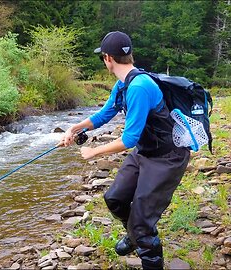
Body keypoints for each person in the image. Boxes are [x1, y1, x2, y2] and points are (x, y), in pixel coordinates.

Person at [58, 31, 191, 270]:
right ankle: (135, 234)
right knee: (115, 198)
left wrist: (94, 152)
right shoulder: (123, 85)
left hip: (167, 158)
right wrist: (75, 127)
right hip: (146, 151)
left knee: (143, 224)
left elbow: (129, 139)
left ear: (108, 58)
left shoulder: (139, 86)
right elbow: (103, 115)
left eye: (103, 58)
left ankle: (141, 239)